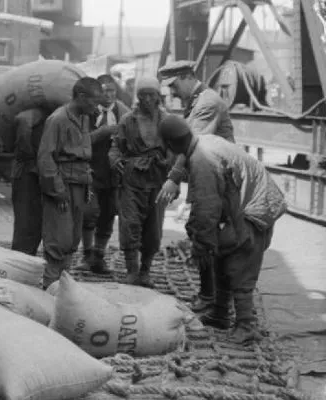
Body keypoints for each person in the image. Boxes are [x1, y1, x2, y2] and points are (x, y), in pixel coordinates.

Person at [159, 114, 286, 344]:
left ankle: (246, 325)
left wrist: (201, 245)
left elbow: (207, 209)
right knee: (222, 252)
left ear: (171, 145)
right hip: (247, 203)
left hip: (254, 209)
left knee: (239, 263)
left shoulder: (202, 160)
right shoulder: (203, 142)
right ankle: (220, 313)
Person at [157, 59, 235, 312]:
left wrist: (173, 177)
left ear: (187, 76)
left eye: (174, 85)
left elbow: (190, 142)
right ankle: (213, 297)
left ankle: (212, 299)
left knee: (204, 232)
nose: (172, 93)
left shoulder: (207, 103)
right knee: (204, 233)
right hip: (208, 174)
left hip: (217, 180)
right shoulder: (197, 101)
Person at [37, 77, 103, 289]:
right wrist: (58, 191)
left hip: (80, 185)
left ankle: (62, 291)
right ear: (81, 97)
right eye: (93, 101)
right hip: (63, 187)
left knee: (73, 240)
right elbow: (46, 158)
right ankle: (49, 290)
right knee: (58, 241)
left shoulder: (83, 117)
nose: (96, 107)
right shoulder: (58, 119)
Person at [109, 77, 173, 287]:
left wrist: (173, 174)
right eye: (142, 94)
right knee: (130, 224)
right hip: (132, 179)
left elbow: (178, 149)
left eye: (151, 94)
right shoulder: (128, 120)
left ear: (158, 97)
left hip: (157, 179)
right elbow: (115, 146)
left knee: (153, 229)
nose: (146, 99)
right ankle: (132, 271)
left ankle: (145, 271)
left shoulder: (167, 121)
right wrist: (116, 159)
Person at [80, 74, 131, 272]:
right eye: (104, 91)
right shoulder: (88, 112)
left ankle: (99, 257)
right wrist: (104, 131)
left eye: (112, 91)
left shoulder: (123, 112)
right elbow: (80, 140)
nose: (108, 95)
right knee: (89, 213)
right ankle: (86, 255)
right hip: (90, 170)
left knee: (108, 214)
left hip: (113, 174)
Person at [10, 108, 49, 256]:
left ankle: (25, 258)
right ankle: (21, 260)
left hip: (33, 172)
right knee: (26, 223)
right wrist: (30, 156)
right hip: (27, 173)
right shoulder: (31, 115)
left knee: (32, 223)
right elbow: (23, 136)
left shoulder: (43, 116)